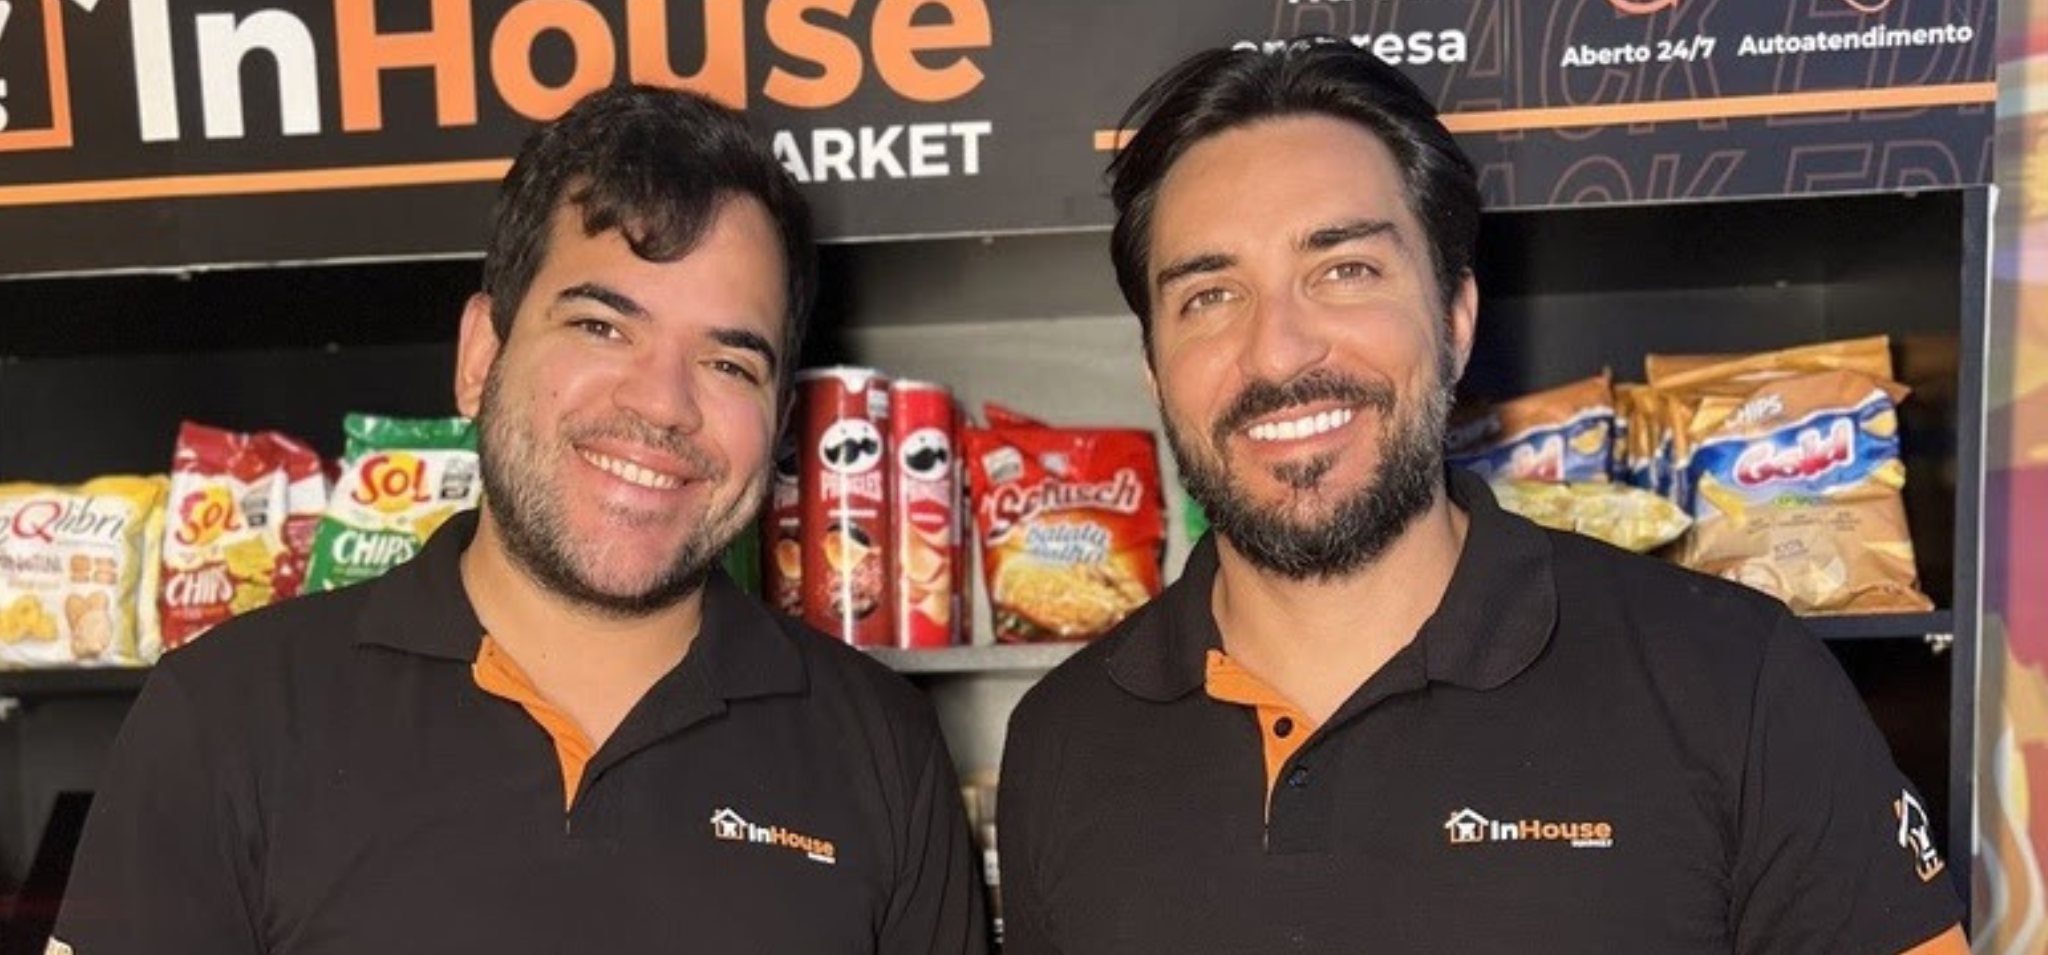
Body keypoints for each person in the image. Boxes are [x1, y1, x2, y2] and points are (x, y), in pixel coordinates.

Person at [997, 40, 1967, 955]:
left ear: (1454, 319)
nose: (1277, 350)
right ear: (1154, 369)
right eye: (1208, 295)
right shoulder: (1059, 741)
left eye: (1343, 269)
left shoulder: (1736, 683)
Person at [52, 86, 986, 955]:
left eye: (729, 364)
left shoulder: (882, 748)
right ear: (480, 355)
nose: (662, 404)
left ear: (780, 422)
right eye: (601, 325)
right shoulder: (226, 714)